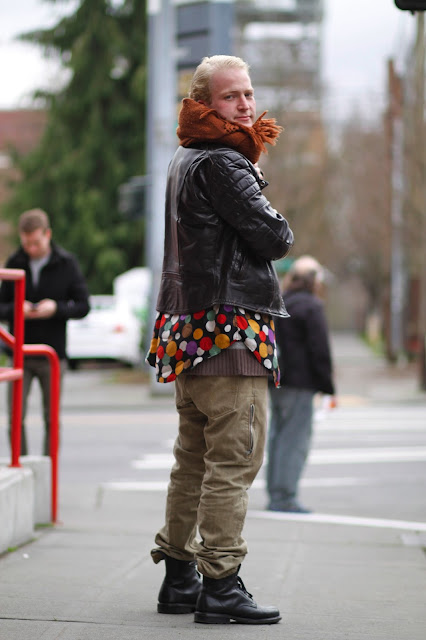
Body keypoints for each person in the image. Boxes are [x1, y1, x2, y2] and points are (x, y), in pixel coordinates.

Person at [146, 55, 294, 625]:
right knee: (233, 461)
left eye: (249, 94)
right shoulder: (225, 162)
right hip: (231, 334)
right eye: (232, 97)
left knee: (193, 461)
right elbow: (275, 236)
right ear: (205, 105)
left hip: (189, 332)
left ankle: (179, 576)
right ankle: (222, 584)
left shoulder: (185, 158)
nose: (246, 106)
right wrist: (264, 197)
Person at [0, 208, 90, 456]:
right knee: (15, 417)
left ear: (48, 234)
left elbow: (83, 305)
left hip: (52, 353)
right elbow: (1, 306)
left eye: (36, 242)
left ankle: (48, 473)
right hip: (20, 352)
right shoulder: (15, 262)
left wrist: (56, 308)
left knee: (51, 419)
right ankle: (23, 466)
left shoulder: (66, 263)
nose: (31, 248)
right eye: (26, 243)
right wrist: (18, 308)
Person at [266, 255, 336, 514]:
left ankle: (275, 492)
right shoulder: (312, 306)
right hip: (301, 382)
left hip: (277, 381)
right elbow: (320, 350)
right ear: (314, 280)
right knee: (294, 440)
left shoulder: (279, 304)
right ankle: (284, 496)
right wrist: (327, 385)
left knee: (278, 437)